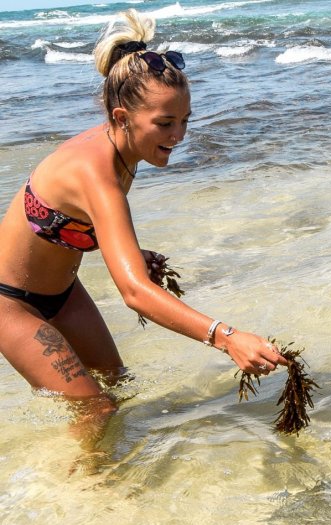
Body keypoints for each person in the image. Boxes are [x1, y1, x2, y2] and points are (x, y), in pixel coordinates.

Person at [0, 9, 288, 446]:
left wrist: (129, 254)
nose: (179, 135)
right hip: (11, 306)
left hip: (63, 295)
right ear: (121, 116)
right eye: (166, 124)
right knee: (96, 409)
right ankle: (85, 497)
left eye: (185, 121)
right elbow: (134, 294)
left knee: (119, 387)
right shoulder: (96, 172)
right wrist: (227, 338)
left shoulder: (124, 153)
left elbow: (58, 226)